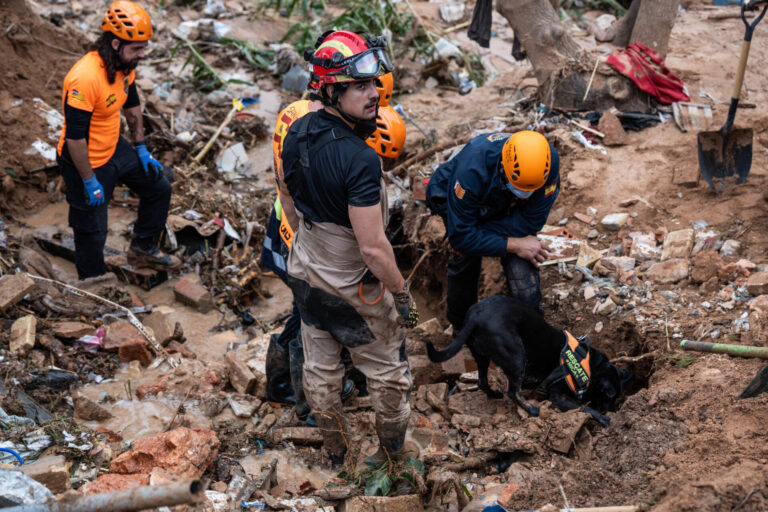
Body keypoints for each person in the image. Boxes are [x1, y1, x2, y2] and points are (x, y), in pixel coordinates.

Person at [279, 30, 418, 465]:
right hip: (352, 288)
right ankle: (393, 456)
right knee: (386, 370)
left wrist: (312, 241)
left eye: (374, 83)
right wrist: (401, 293)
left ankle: (337, 453)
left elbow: (285, 195)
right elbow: (374, 248)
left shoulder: (296, 130)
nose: (374, 93)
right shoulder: (360, 159)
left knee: (320, 369)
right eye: (361, 86)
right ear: (331, 90)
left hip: (305, 268)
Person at [56, 0, 179, 280]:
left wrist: (141, 148)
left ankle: (142, 247)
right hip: (83, 159)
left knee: (159, 186)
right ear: (114, 44)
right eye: (137, 48)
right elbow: (75, 139)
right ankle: (95, 285)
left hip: (114, 147)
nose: (142, 54)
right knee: (92, 230)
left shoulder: (124, 64)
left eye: (144, 47)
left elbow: (131, 102)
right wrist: (88, 180)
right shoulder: (84, 78)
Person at [426, 130, 560, 330]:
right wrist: (512, 244)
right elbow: (461, 237)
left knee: (525, 255)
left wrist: (474, 234)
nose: (524, 196)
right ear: (503, 167)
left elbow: (531, 222)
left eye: (529, 192)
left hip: (504, 208)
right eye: (519, 188)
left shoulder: (548, 165)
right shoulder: (473, 169)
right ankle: (462, 329)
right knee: (463, 253)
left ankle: (533, 331)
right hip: (457, 198)